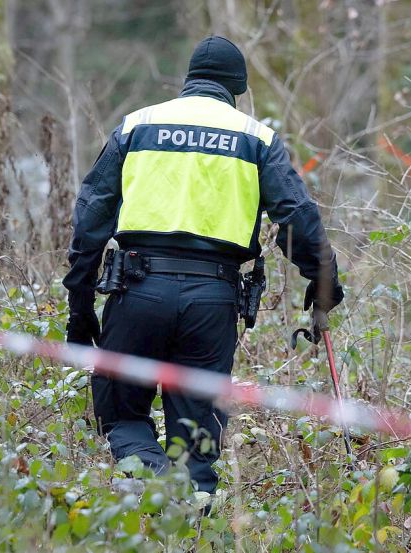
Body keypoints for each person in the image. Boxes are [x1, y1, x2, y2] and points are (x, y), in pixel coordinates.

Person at [64, 36, 343, 495]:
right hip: (212, 301)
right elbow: (296, 214)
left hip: (136, 291)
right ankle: (190, 520)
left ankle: (149, 491)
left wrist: (80, 306)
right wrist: (324, 278)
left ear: (188, 81)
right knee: (196, 440)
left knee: (123, 415)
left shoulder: (137, 126)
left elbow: (90, 219)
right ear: (238, 88)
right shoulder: (258, 138)